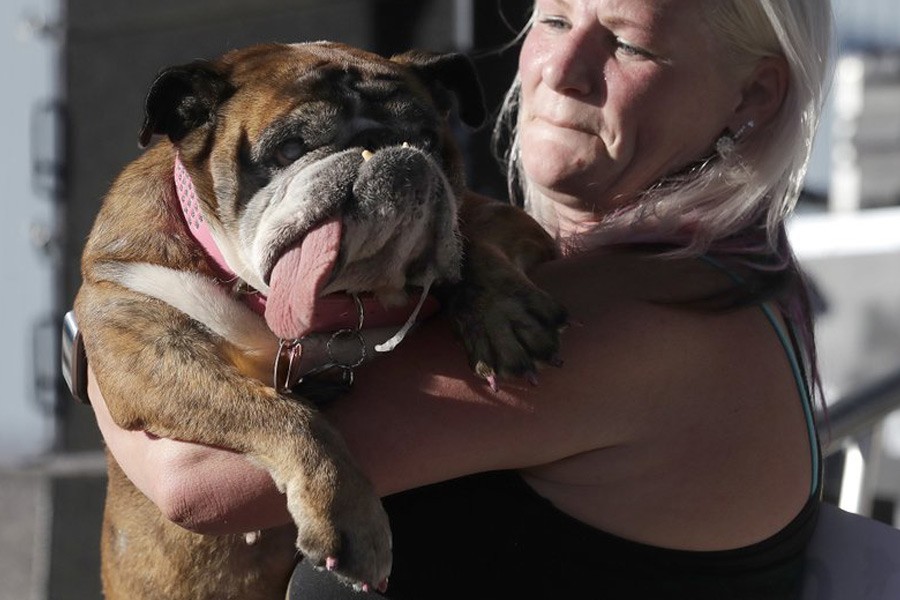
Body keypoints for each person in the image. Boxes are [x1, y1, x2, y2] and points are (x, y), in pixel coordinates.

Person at [85, 0, 834, 597]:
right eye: (553, 20)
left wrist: (99, 332)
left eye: (631, 45)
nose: (563, 69)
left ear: (755, 94)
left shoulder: (628, 324)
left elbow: (199, 485)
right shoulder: (693, 278)